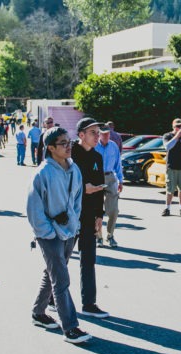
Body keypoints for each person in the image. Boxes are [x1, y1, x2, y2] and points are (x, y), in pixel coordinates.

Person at [27, 127, 93, 344]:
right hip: (49, 235)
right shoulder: (42, 173)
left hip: (70, 232)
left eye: (69, 142)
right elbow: (34, 210)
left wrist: (74, 226)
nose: (68, 146)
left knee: (52, 272)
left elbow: (77, 201)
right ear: (50, 147)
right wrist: (48, 232)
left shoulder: (74, 170)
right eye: (63, 143)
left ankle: (38, 312)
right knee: (61, 279)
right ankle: (71, 328)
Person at [71, 118, 110, 318]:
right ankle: (51, 298)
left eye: (98, 132)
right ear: (81, 135)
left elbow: (100, 188)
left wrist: (99, 216)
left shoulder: (97, 157)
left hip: (88, 216)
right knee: (60, 260)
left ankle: (89, 303)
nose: (98, 136)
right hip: (68, 216)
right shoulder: (69, 153)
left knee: (88, 260)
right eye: (93, 132)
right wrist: (81, 188)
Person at [94, 126, 123, 247]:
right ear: (99, 135)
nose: (106, 136)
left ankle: (110, 235)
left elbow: (118, 164)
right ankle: (98, 236)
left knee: (113, 210)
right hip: (96, 177)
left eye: (108, 134)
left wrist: (121, 180)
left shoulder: (113, 146)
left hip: (110, 177)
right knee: (96, 209)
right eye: (104, 134)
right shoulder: (94, 146)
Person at [162, 118, 181, 217]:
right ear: (173, 127)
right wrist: (177, 136)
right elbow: (167, 147)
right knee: (170, 189)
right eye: (178, 126)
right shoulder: (167, 136)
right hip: (171, 167)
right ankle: (167, 208)